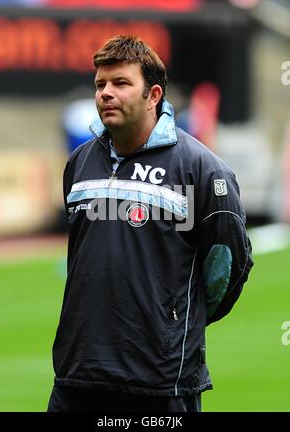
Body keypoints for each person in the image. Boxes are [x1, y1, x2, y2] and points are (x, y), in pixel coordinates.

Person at [48, 35, 253, 412]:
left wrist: (172, 320)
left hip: (160, 383)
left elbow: (227, 269)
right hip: (76, 376)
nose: (106, 93)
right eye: (100, 84)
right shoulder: (79, 163)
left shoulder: (200, 170)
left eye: (121, 83)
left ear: (153, 95)